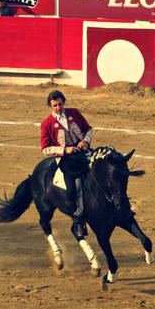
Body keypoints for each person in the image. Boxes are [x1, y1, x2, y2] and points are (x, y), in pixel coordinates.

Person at [41, 90, 93, 237]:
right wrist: (65, 150)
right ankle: (78, 221)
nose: (58, 108)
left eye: (60, 104)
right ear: (50, 106)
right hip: (66, 159)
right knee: (70, 190)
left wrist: (85, 141)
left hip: (83, 151)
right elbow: (45, 149)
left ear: (64, 102)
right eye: (55, 105)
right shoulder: (46, 124)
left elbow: (88, 129)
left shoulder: (74, 113)